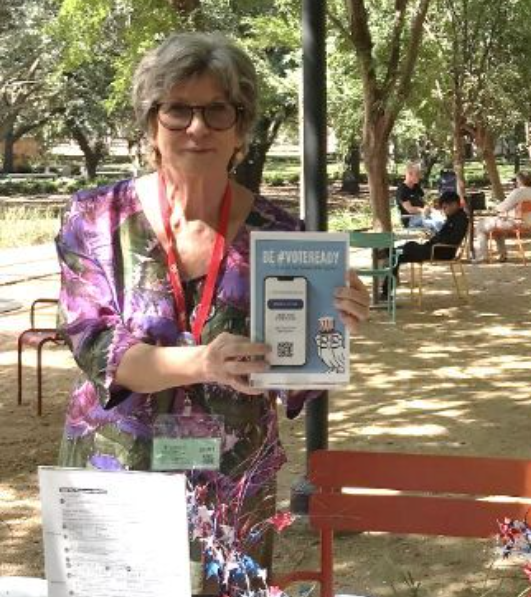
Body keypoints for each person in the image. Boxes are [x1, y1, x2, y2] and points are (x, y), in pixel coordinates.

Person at [55, 32, 369, 562]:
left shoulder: (285, 236)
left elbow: (297, 384)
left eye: (217, 111)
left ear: (240, 129)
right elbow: (98, 349)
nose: (197, 127)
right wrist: (205, 362)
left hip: (233, 482)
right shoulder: (96, 218)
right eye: (178, 110)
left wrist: (331, 326)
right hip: (115, 469)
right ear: (151, 123)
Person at [388, 190, 469, 292]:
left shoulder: (460, 219)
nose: (444, 210)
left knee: (408, 247)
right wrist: (434, 237)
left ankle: (388, 253)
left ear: (454, 204)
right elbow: (444, 235)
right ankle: (387, 290)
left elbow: (452, 239)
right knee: (398, 255)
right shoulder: (453, 217)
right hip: (436, 248)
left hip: (441, 251)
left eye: (445, 207)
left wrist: (436, 239)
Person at [472, 171, 531, 262]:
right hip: (527, 223)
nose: (516, 181)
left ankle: (482, 256)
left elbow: (502, 207)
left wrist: (495, 207)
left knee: (480, 226)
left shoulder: (518, 192)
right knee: (497, 226)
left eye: (517, 179)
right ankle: (502, 254)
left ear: (520, 180)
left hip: (514, 223)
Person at [395, 162, 440, 231]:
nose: (419, 177)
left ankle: (443, 240)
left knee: (441, 219)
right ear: (409, 174)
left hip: (424, 215)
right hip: (411, 219)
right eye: (417, 174)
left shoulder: (416, 186)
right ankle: (445, 240)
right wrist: (422, 210)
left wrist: (427, 207)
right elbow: (409, 209)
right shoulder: (402, 190)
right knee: (437, 223)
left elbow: (424, 201)